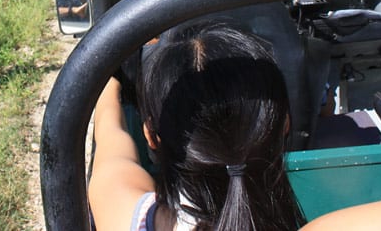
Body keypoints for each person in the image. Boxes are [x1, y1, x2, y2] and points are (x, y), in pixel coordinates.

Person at [88, 23, 307, 231]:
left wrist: (112, 80)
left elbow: (110, 133)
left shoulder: (123, 217)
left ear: (152, 136)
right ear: (284, 123)